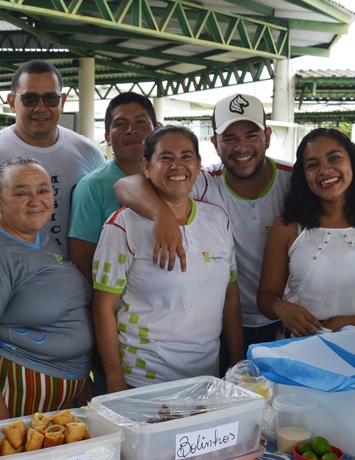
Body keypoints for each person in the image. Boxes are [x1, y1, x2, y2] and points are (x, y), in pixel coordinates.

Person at [114, 93, 291, 351]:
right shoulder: (206, 182)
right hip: (222, 324)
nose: (241, 148)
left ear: (268, 137)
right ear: (215, 144)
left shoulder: (294, 181)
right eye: (229, 138)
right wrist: (161, 215)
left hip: (285, 319)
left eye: (251, 135)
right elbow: (125, 185)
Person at [92, 126, 242, 391]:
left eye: (186, 157)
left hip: (207, 377)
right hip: (142, 380)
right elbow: (103, 308)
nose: (177, 166)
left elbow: (230, 295)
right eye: (166, 158)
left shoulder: (218, 220)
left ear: (198, 165)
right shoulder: (123, 226)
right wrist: (114, 379)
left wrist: (237, 358)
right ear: (146, 167)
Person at [0, 156, 93, 432]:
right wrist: (6, 426)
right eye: (20, 193)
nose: (35, 200)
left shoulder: (37, 234)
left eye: (42, 190)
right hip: (11, 392)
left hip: (59, 392)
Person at [257, 128, 355, 337]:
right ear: (303, 176)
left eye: (334, 158)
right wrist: (280, 308)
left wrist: (350, 324)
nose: (324, 170)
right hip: (298, 346)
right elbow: (266, 297)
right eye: (313, 165)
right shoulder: (288, 226)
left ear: (352, 162)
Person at [0, 59, 105, 254]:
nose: (41, 107)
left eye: (51, 98)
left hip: (75, 280)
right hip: (8, 281)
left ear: (62, 102)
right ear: (12, 102)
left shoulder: (88, 152)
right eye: (30, 99)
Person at [69, 92, 158, 279]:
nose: (131, 130)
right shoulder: (91, 187)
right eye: (120, 124)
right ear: (107, 137)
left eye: (140, 122)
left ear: (156, 130)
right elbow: (82, 259)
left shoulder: (171, 179)